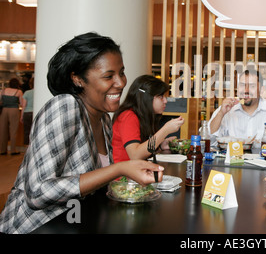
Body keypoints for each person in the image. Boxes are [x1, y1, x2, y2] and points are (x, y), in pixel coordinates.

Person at [0, 32, 163, 234]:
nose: (121, 83)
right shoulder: (64, 106)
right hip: (34, 227)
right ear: (77, 79)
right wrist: (120, 169)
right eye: (108, 76)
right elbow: (37, 193)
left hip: (73, 223)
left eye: (121, 72)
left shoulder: (103, 118)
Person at [112, 74, 184, 163]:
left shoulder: (143, 116)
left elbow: (143, 153)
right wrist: (166, 130)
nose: (165, 101)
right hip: (123, 176)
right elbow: (135, 155)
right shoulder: (128, 116)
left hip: (136, 172)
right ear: (147, 98)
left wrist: (161, 146)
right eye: (161, 96)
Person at [208, 69, 266, 146]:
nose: (246, 90)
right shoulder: (226, 109)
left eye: (252, 86)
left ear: (261, 90)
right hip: (231, 159)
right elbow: (209, 140)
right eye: (242, 85)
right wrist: (221, 114)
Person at [0, 78, 25, 155]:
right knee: (13, 131)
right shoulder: (19, 92)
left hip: (4, 110)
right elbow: (22, 103)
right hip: (14, 110)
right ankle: (13, 150)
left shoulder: (3, 90)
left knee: (2, 131)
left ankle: (2, 150)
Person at [21, 77, 34, 148]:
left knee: (27, 132)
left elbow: (23, 105)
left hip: (27, 113)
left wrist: (21, 116)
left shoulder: (27, 93)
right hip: (35, 113)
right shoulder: (39, 93)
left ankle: (27, 149)